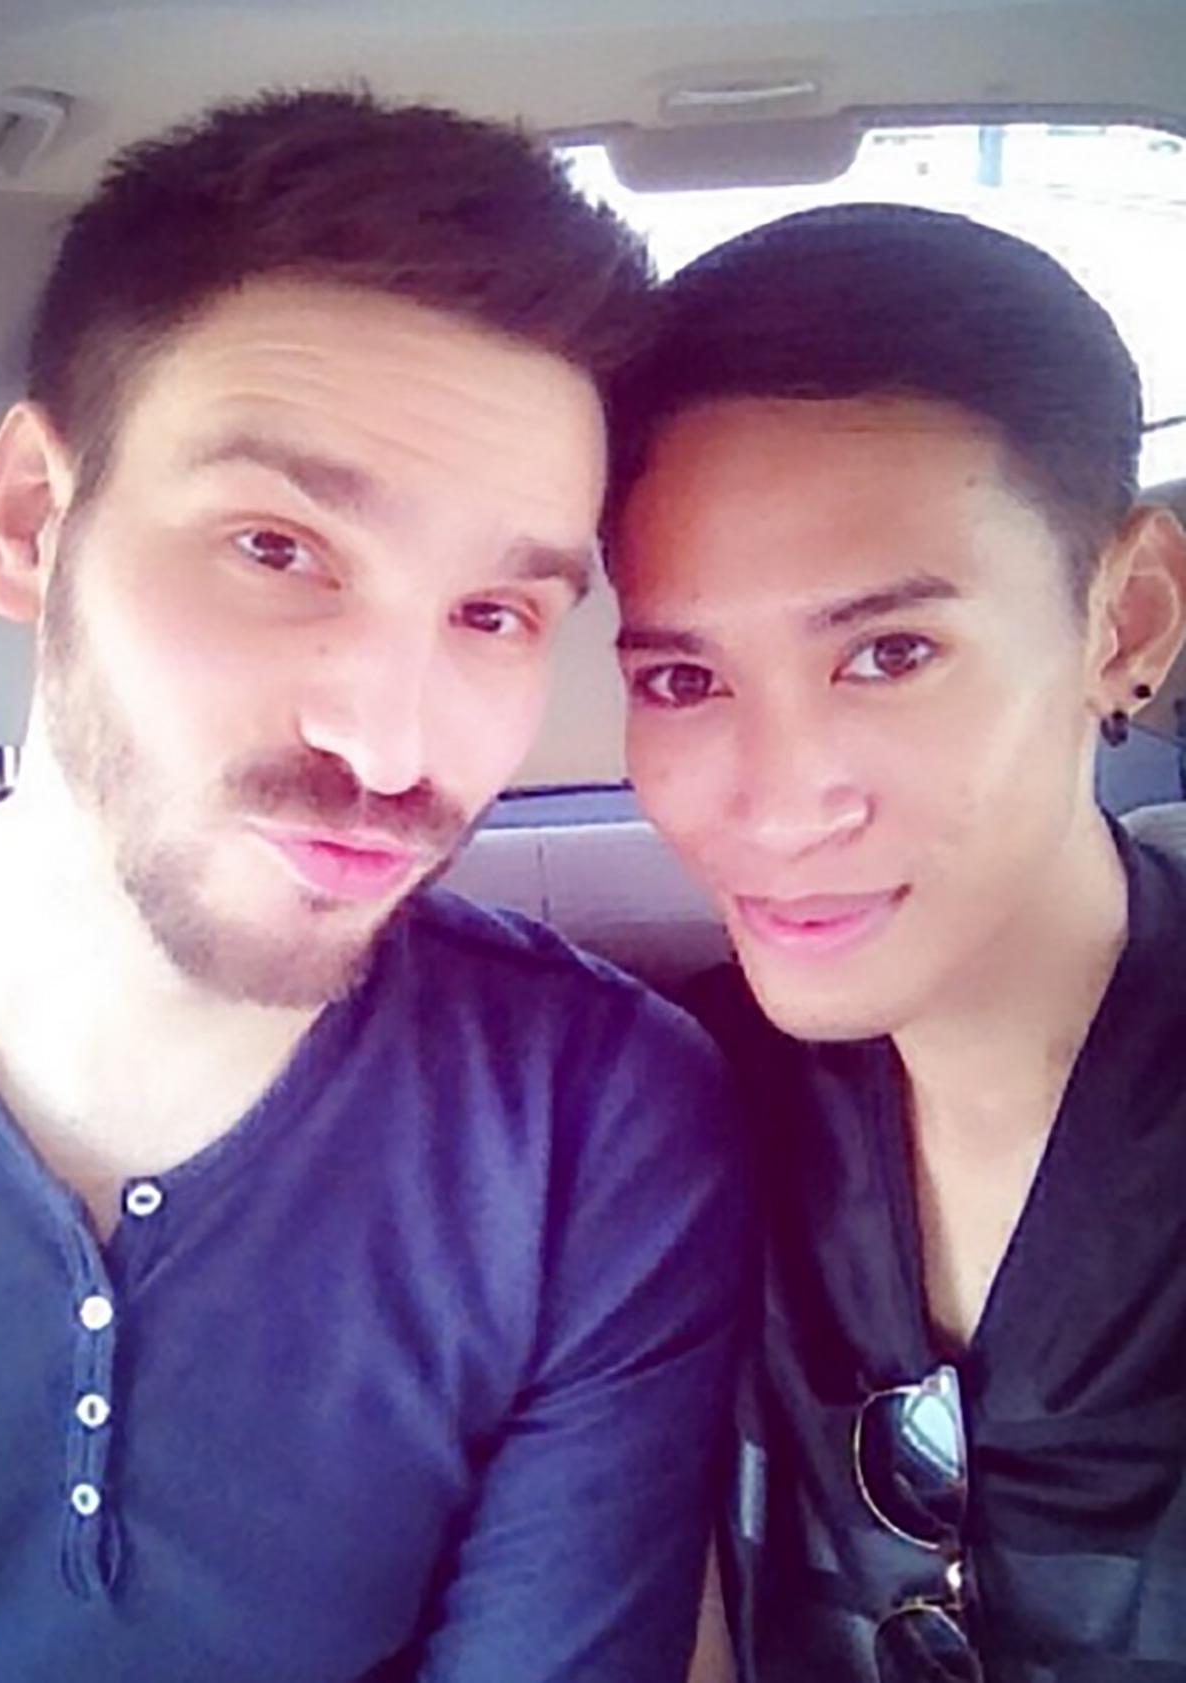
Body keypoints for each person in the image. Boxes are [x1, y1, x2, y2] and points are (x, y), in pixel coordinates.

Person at [0, 89, 743, 1683]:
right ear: (32, 524)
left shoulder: (592, 1125)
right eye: (278, 549)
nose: (387, 743)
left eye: (494, 614)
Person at [606, 203, 1186, 1681]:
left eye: (889, 653)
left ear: (1125, 623)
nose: (777, 804)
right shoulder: (656, 1116)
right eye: (682, 680)